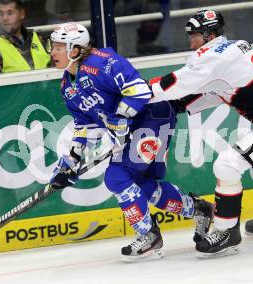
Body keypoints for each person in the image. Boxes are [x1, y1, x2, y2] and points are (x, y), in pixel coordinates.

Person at [149, 10, 253, 258]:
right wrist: (179, 105)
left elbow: (173, 84)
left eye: (194, 36)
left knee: (227, 165)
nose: (190, 42)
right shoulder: (231, 50)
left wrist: (135, 93)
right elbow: (217, 91)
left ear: (210, 35)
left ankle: (227, 232)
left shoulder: (213, 57)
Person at [47, 22, 214, 262]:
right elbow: (85, 126)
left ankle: (149, 235)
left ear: (75, 49)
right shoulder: (67, 86)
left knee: (116, 177)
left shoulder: (103, 61)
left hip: (152, 116)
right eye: (53, 46)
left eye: (59, 47)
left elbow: (138, 90)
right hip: (133, 126)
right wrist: (71, 161)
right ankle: (199, 210)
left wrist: (122, 119)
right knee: (141, 185)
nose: (53, 52)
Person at [0, 0, 50, 75]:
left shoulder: (38, 38)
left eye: (10, 13)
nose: (4, 18)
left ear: (22, 14)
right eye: (1, 13)